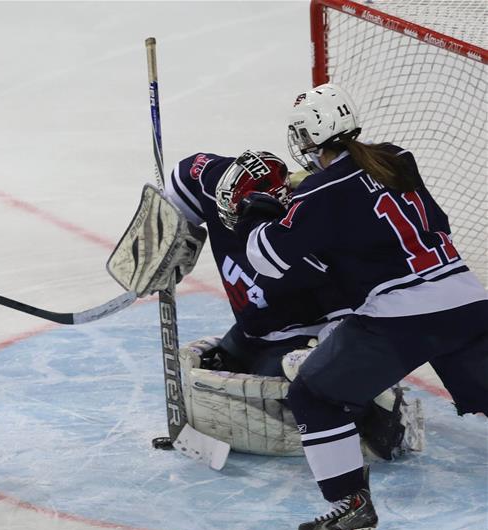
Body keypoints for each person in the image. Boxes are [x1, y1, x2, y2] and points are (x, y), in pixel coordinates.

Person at [233, 83, 488, 530]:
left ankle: (351, 510)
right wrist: (297, 193)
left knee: (312, 394)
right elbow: (376, 208)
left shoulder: (321, 193)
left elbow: (266, 260)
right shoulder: (396, 158)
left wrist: (252, 215)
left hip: (399, 319)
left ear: (310, 136)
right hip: (468, 302)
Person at [163, 150, 422, 460]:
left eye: (238, 213)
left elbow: (352, 319)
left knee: (290, 398)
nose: (227, 219)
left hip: (298, 337)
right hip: (252, 330)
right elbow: (185, 178)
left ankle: (383, 413)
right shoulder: (216, 183)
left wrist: (325, 363)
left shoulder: (307, 238)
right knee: (209, 370)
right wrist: (170, 231)